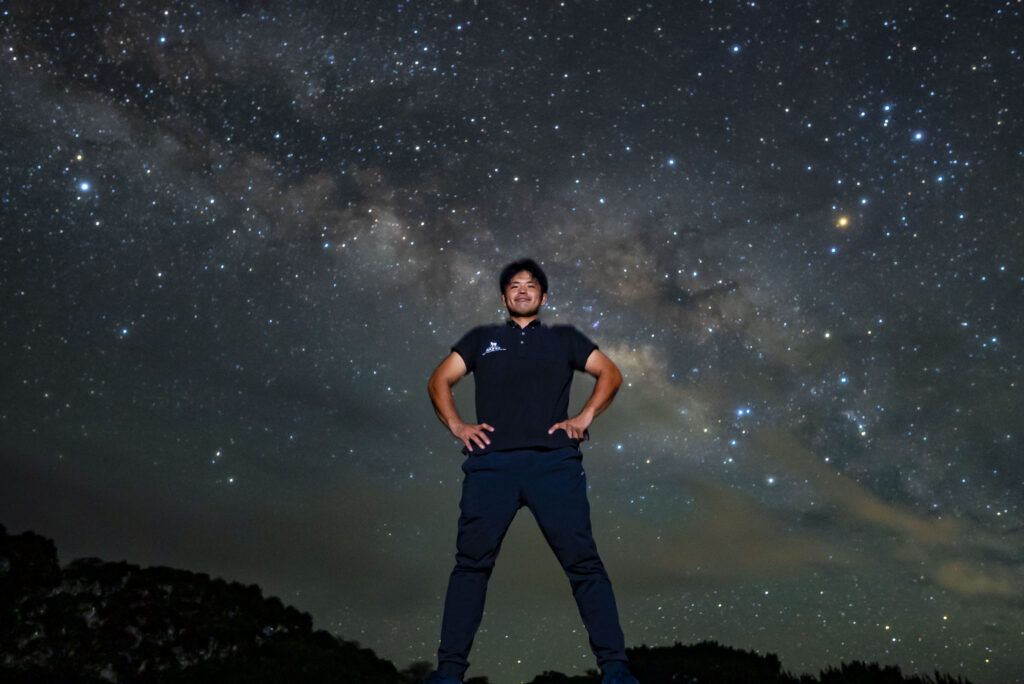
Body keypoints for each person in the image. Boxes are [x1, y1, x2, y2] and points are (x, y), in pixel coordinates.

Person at [424, 259, 639, 684]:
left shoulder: (566, 338)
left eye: (531, 285)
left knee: (584, 564)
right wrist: (457, 425)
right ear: (504, 297)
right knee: (470, 565)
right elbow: (439, 381)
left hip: (553, 464)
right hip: (492, 465)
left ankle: (616, 669)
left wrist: (585, 416)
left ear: (543, 296)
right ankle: (448, 673)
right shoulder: (481, 339)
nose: (523, 290)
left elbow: (610, 374)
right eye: (514, 286)